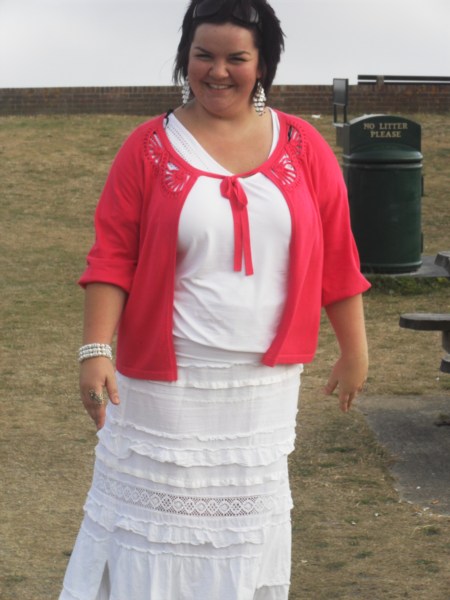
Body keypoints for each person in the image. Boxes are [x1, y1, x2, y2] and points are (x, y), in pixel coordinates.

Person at [59, 0, 370, 598]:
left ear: (263, 64)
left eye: (237, 58)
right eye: (204, 55)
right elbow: (112, 257)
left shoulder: (302, 144)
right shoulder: (148, 147)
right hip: (164, 387)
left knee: (241, 538)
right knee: (153, 532)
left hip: (261, 390)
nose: (218, 71)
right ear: (185, 58)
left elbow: (338, 256)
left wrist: (354, 351)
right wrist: (95, 350)